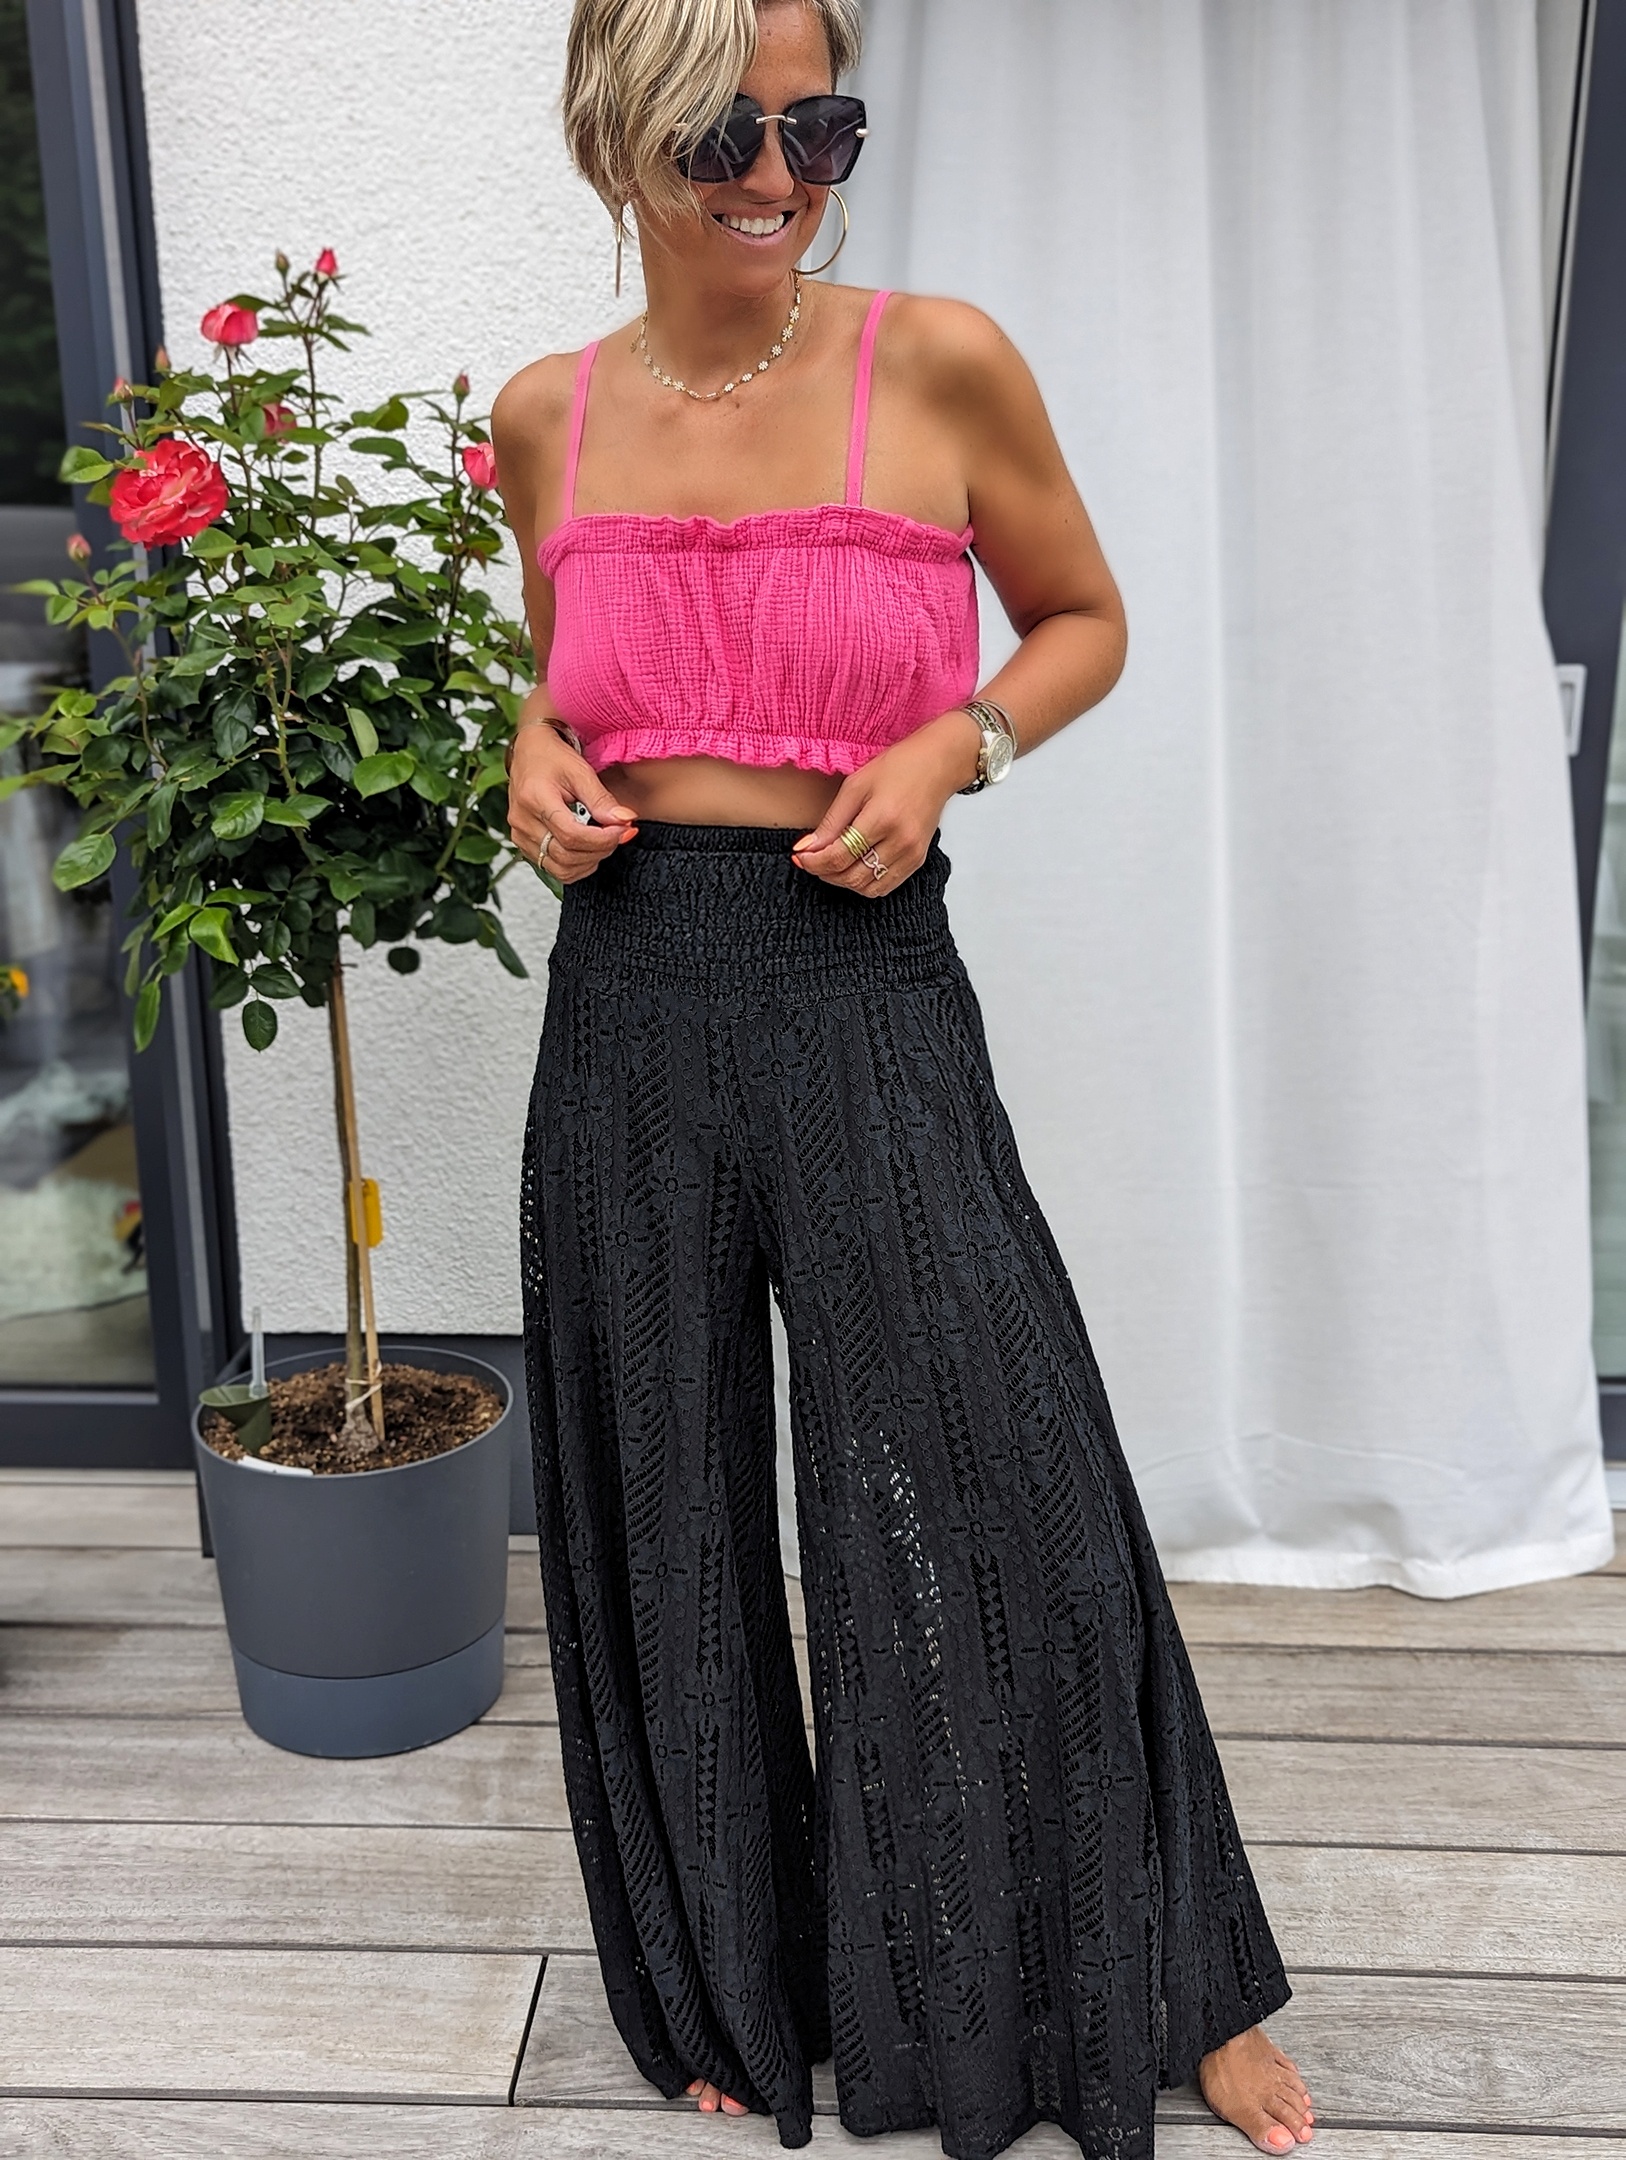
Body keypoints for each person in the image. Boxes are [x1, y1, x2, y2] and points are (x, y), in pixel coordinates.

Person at [494, 2, 1314, 2153]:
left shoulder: (934, 361)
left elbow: (1081, 617)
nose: (779, 177)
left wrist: (961, 739)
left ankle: (1164, 1976)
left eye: (821, 127)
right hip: (630, 996)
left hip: (862, 977)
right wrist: (528, 756)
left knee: (999, 1464)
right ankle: (729, 1980)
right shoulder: (542, 416)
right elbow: (567, 677)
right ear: (614, 134)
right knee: (662, 1497)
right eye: (723, 134)